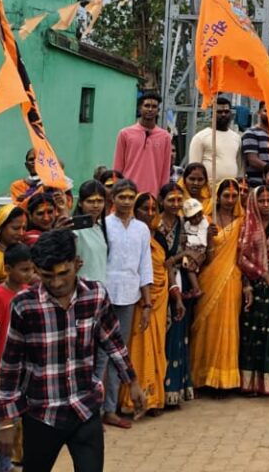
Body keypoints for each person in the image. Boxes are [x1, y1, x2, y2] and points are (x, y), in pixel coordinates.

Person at [0, 230, 142, 472]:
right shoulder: (24, 305)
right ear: (36, 270)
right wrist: (6, 421)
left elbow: (113, 341)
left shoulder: (96, 295)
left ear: (77, 264)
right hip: (41, 413)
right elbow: (11, 365)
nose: (56, 283)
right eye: (47, 276)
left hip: (85, 408)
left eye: (63, 273)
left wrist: (132, 381)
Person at [102, 178, 154, 424]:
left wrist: (147, 304)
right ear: (113, 199)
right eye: (121, 197)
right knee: (98, 354)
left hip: (129, 296)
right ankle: (93, 411)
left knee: (117, 354)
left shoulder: (141, 229)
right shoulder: (103, 225)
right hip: (104, 295)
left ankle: (110, 408)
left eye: (130, 197)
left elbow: (145, 266)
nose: (126, 201)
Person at [0, 247, 35, 472]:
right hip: (2, 370)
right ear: (8, 269)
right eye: (24, 270)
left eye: (31, 269)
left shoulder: (27, 293)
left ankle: (5, 465)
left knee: (12, 420)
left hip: (23, 368)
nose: (29, 274)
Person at [192, 179, 245, 390]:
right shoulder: (205, 220)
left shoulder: (242, 221)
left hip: (232, 279)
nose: (230, 200)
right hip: (209, 278)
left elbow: (245, 252)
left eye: (234, 196)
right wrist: (206, 235)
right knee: (206, 327)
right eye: (226, 196)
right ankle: (203, 377)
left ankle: (224, 380)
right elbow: (199, 256)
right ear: (218, 197)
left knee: (228, 327)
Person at [119, 193, 168, 418]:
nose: (149, 214)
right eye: (144, 209)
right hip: (137, 298)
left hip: (157, 299)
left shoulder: (159, 237)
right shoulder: (130, 234)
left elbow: (163, 267)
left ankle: (154, 398)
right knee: (137, 347)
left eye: (153, 209)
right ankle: (132, 399)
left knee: (157, 346)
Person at [237, 186, 269, 395]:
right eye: (261, 201)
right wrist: (262, 274)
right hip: (255, 284)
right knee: (253, 332)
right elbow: (241, 258)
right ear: (253, 203)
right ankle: (251, 383)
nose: (266, 205)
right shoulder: (248, 226)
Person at [152, 183, 194, 408]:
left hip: (179, 280)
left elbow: (183, 253)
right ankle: (158, 390)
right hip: (159, 282)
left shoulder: (181, 223)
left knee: (178, 335)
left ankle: (174, 390)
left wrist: (182, 257)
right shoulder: (154, 223)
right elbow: (163, 258)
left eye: (179, 200)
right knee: (161, 335)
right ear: (161, 201)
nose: (176, 205)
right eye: (171, 200)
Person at [114, 92, 173, 196]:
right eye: (147, 106)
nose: (150, 109)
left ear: (158, 111)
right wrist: (117, 190)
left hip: (153, 194)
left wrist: (162, 194)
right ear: (140, 108)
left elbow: (165, 170)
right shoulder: (125, 134)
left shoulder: (165, 137)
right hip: (128, 193)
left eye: (154, 106)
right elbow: (118, 166)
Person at [187, 95, 243, 184]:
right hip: (208, 190)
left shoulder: (237, 138)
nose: (223, 114)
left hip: (230, 190)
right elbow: (193, 168)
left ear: (231, 114)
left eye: (226, 111)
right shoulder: (200, 137)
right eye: (219, 112)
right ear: (212, 114)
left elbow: (240, 167)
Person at [0, 205, 27, 284]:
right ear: (1, 228)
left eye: (24, 228)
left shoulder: (21, 249)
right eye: (15, 228)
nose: (21, 233)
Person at [241, 103, 269, 190]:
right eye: (266, 111)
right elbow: (253, 160)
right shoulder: (251, 133)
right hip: (257, 186)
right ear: (259, 112)